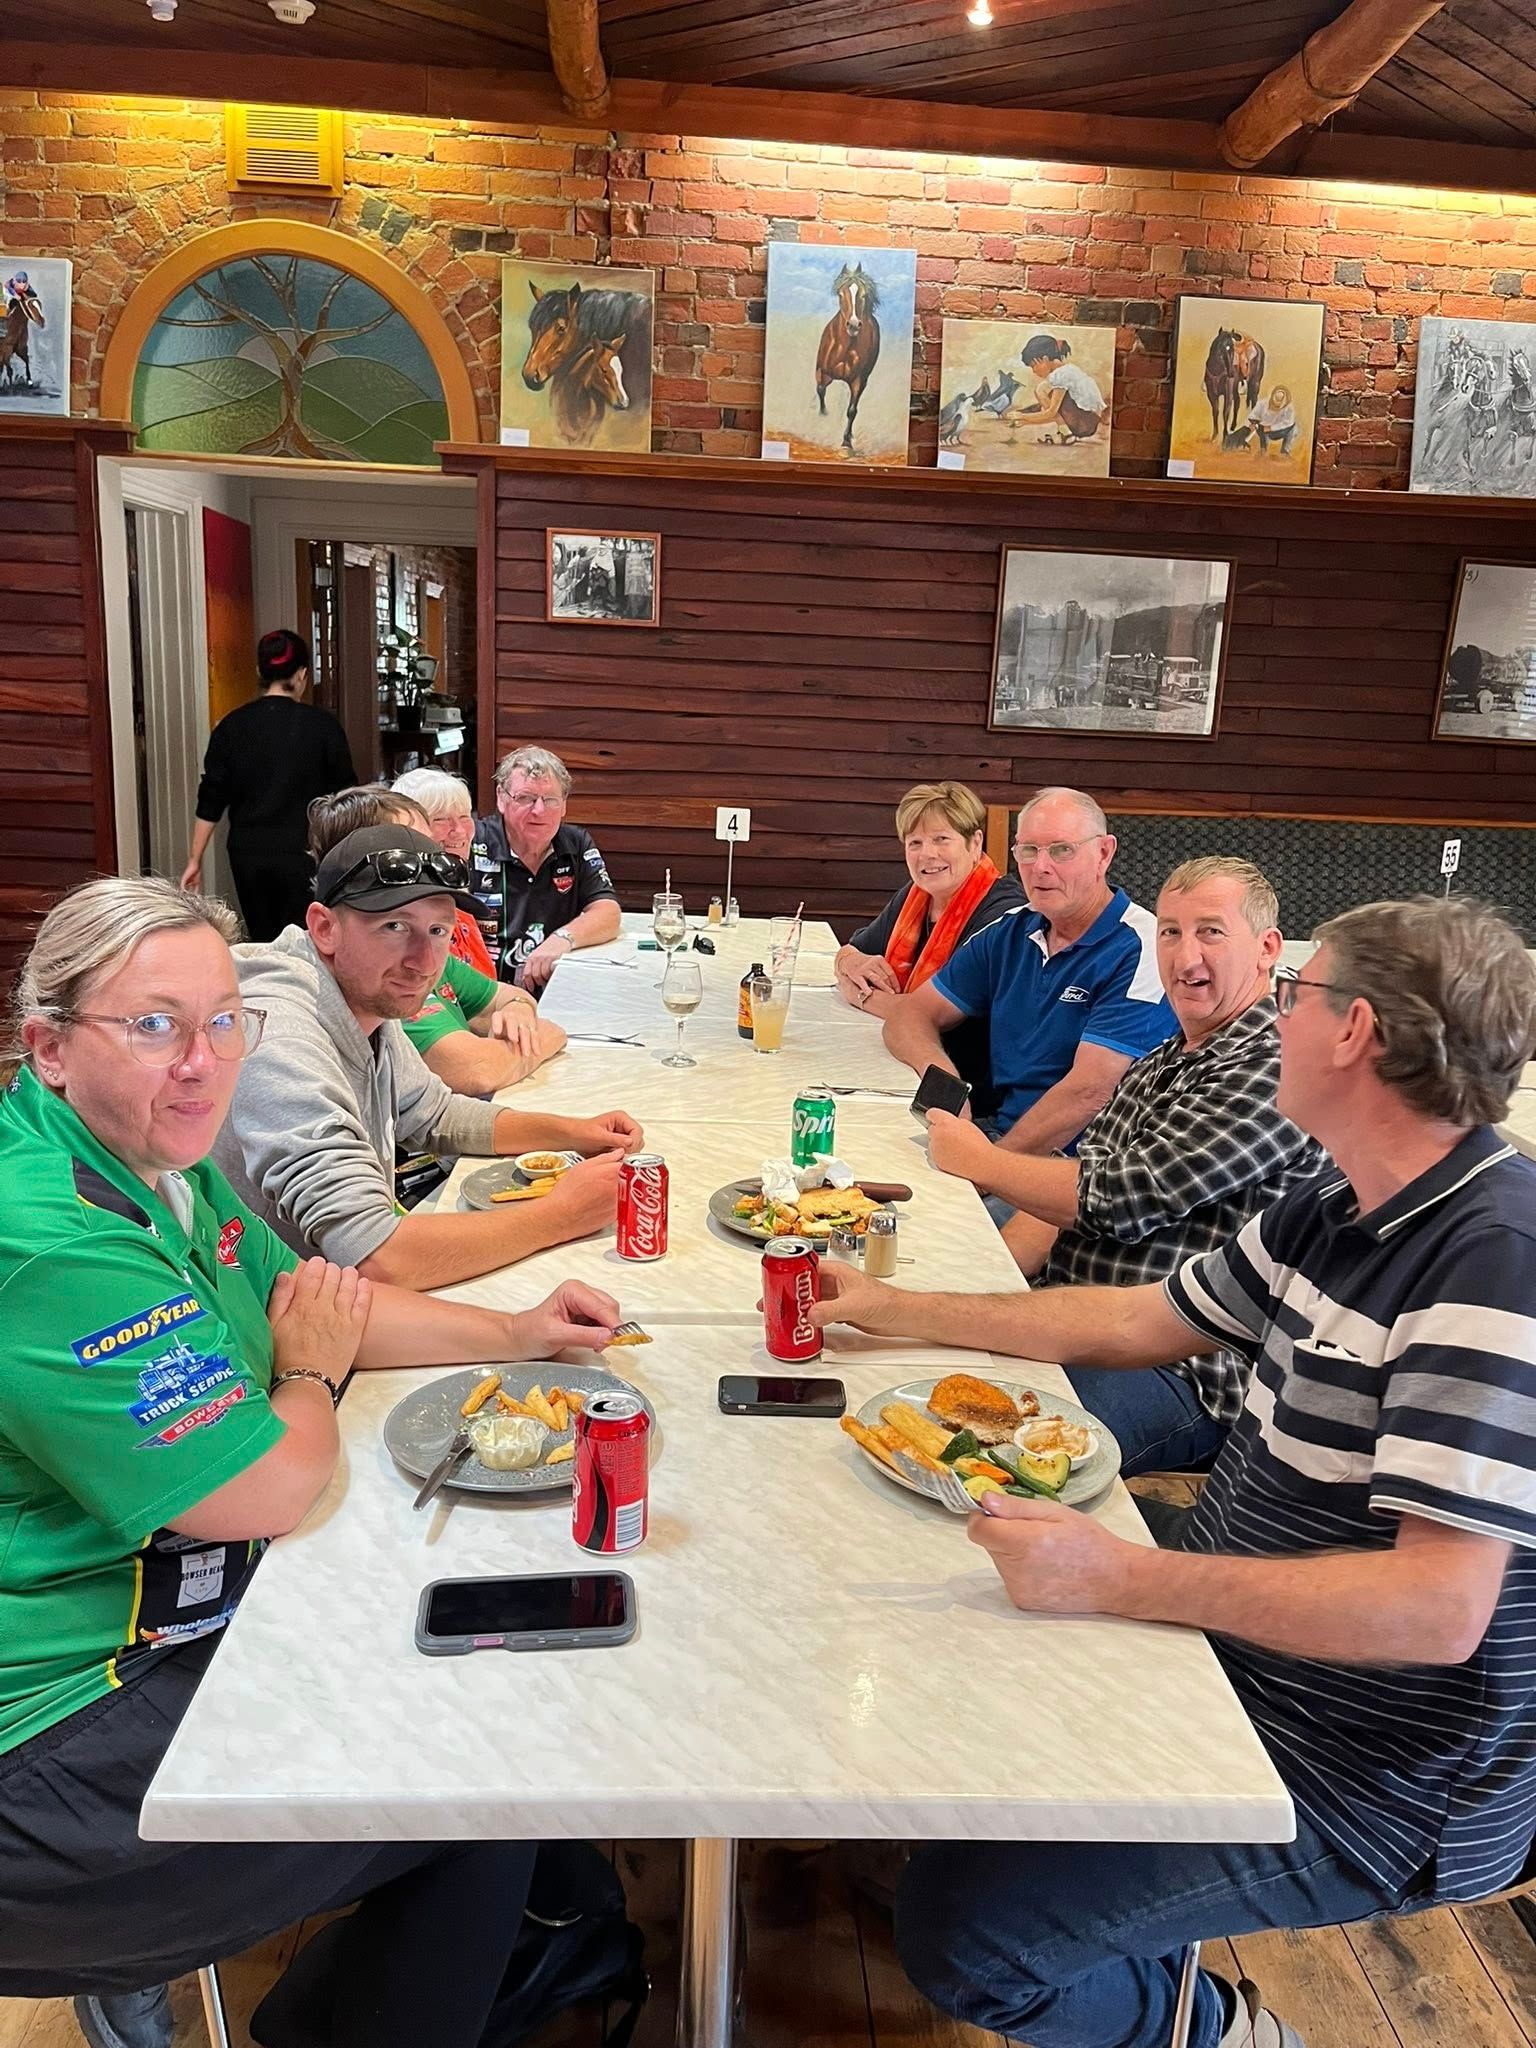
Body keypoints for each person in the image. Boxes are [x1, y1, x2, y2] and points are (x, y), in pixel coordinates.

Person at [815, 894, 1536, 2048]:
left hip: (1377, 1769)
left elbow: (1437, 1607)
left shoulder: (1490, 1260)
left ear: (1351, 1030)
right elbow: (1148, 1318)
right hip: (1240, 1647)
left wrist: (1117, 1577)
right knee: (932, 1657)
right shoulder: (1344, 1195)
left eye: (1294, 992)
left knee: (970, 1938)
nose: (1277, 1016)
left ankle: (1212, 2029)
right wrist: (895, 1310)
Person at [0, 875, 631, 2048]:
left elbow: (318, 1303)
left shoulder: (148, 1167)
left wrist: (520, 1330)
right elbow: (269, 1484)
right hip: (44, 1744)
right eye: (153, 1026)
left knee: (475, 1640)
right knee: (494, 1766)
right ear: (47, 1046)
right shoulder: (49, 1237)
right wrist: (305, 1376)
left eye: (223, 1020)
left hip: (158, 1625)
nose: (202, 1061)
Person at [911, 856, 1328, 1474]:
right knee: (913, 1381)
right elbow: (1060, 1207)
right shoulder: (1164, 1057)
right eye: (1170, 932)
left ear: (1268, 948)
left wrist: (984, 1163)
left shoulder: (1276, 1064)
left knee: (977, 1463)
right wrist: (974, 1290)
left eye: (1211, 932)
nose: (1186, 957)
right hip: (1075, 1314)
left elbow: (1125, 1195)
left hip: (1177, 1366)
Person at [214, 824, 641, 1290]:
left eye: (438, 930)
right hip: (265, 1317)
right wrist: (562, 1215)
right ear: (325, 927)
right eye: (394, 926)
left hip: (342, 1296)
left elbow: (435, 1114)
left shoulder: (365, 996)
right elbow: (377, 1257)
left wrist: (574, 1132)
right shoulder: (279, 1036)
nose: (423, 960)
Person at [882, 787, 1175, 1172]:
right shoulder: (1009, 931)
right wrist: (946, 1085)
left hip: (1076, 1169)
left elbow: (1090, 1092)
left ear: (1104, 853)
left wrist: (986, 1167)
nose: (1041, 867)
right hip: (997, 1135)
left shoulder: (1141, 948)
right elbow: (909, 1017)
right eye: (1028, 851)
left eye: (1061, 850)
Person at [307, 786, 565, 1096]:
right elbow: (475, 1070)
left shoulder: (426, 943)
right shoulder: (383, 982)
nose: (425, 961)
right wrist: (542, 1036)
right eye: (409, 850)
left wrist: (519, 1011)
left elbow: (438, 1118)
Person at [833, 781, 1025, 1117]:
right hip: (905, 1062)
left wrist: (859, 995)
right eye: (915, 843)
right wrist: (851, 964)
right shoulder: (917, 895)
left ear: (975, 842)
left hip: (968, 1095)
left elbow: (927, 1016)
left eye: (942, 839)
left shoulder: (1002, 912)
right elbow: (850, 950)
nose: (927, 855)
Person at [181, 630, 356, 942]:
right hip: (308, 853)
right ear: (302, 674)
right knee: (308, 938)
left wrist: (195, 859)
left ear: (260, 672)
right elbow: (345, 797)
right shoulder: (324, 727)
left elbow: (211, 796)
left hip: (249, 854)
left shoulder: (231, 726)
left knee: (263, 937)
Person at [470, 746, 621, 992]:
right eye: (525, 798)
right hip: (483, 996)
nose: (539, 810)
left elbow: (608, 912)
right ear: (501, 797)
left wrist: (562, 939)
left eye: (550, 800)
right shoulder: (474, 842)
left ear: (563, 806)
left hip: (557, 991)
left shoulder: (576, 843)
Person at [393, 767, 497, 977]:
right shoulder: (404, 916)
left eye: (464, 816)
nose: (459, 830)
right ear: (408, 830)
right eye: (440, 819)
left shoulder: (458, 901)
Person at [1016, 332, 1107, 443]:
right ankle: (1064, 431)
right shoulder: (1068, 370)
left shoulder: (1061, 375)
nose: (1034, 371)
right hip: (1088, 419)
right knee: (1043, 391)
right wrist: (1027, 420)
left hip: (1084, 423)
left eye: (1033, 366)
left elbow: (1052, 413)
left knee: (1042, 391)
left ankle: (1065, 433)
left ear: (1044, 359)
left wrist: (1023, 417)